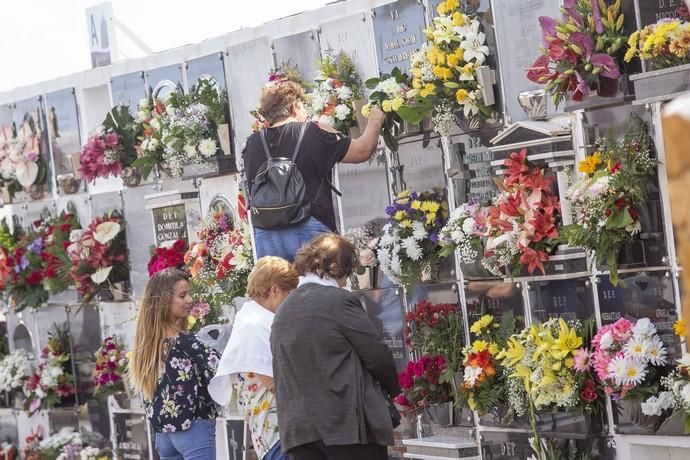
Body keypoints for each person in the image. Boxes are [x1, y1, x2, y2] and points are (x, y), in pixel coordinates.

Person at [270, 233, 401, 460]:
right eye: (348, 271)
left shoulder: (283, 309)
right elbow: (376, 355)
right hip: (344, 427)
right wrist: (394, 391)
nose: (346, 280)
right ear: (334, 266)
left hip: (300, 432)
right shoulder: (338, 300)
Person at [243, 80, 386, 262]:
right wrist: (375, 120)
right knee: (319, 287)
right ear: (295, 106)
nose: (306, 114)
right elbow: (363, 150)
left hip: (267, 234)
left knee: (277, 288)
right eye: (304, 107)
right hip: (309, 227)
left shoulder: (252, 144)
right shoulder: (312, 133)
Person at [209, 256, 299, 460]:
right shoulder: (254, 325)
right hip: (277, 430)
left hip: (277, 427)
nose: (291, 299)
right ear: (274, 290)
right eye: (289, 292)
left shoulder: (252, 318)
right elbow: (272, 381)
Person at [129, 268, 220, 460]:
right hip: (194, 428)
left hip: (164, 435)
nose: (189, 300)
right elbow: (219, 368)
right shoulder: (185, 341)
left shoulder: (146, 344)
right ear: (163, 300)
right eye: (182, 295)